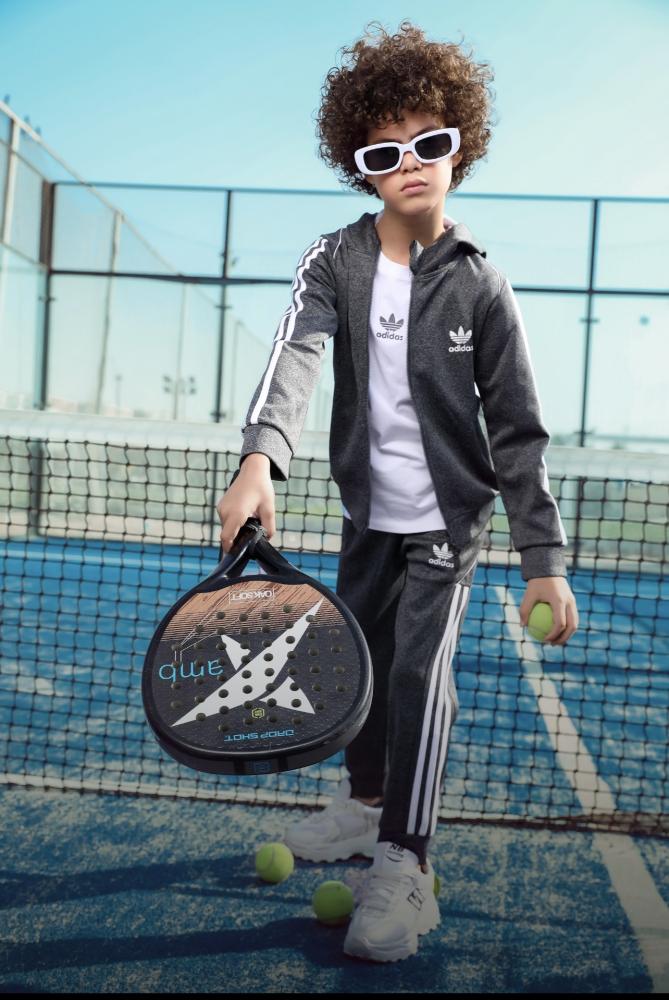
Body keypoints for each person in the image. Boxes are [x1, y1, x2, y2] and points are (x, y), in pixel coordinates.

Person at [217, 20, 579, 963]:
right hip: (364, 516)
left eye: (429, 142)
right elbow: (294, 357)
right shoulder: (331, 261)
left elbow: (517, 430)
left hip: (447, 527)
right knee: (359, 671)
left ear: (461, 145)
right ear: (362, 169)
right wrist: (258, 460)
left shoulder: (483, 285)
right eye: (384, 152)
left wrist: (542, 560)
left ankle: (405, 862)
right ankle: (366, 804)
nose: (410, 163)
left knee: (420, 679)